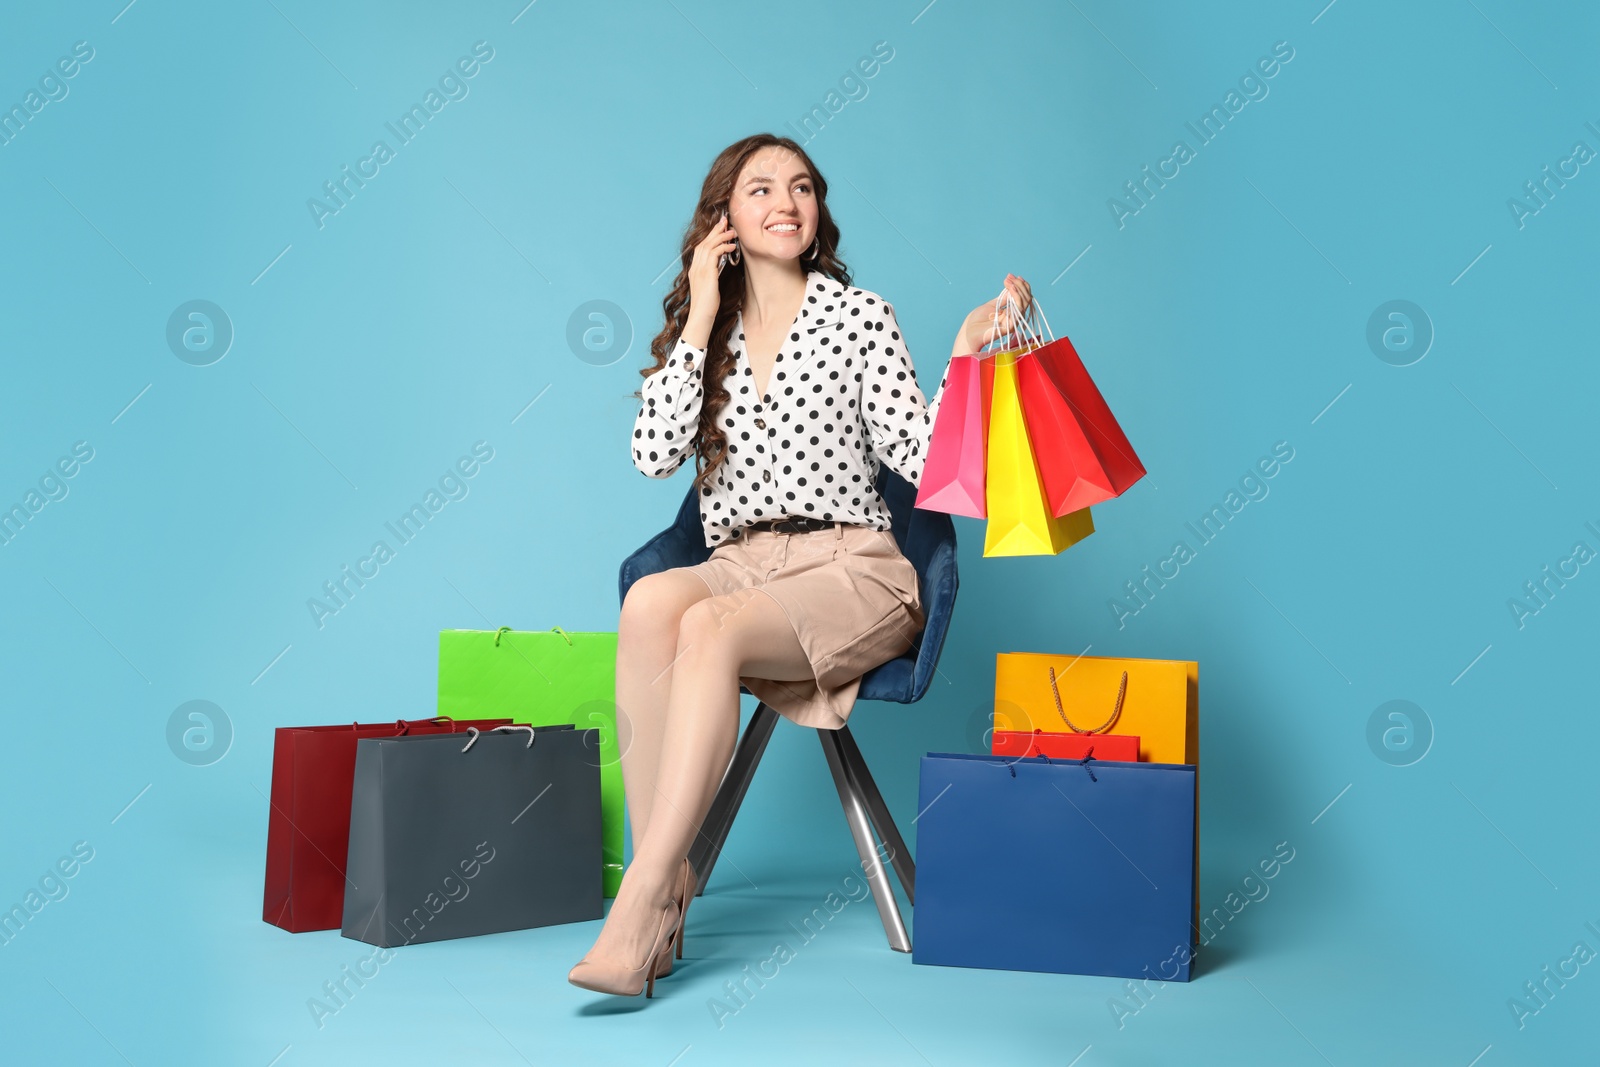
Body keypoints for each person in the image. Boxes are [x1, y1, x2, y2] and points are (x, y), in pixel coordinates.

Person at [568, 132, 1034, 997]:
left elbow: (925, 459)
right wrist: (702, 313)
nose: (787, 202)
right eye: (761, 190)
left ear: (818, 211)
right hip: (741, 560)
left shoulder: (860, 316)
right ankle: (663, 884)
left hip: (852, 564)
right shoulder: (710, 330)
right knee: (648, 604)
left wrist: (967, 351)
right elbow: (651, 453)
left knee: (707, 626)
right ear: (725, 221)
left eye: (803, 187)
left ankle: (642, 900)